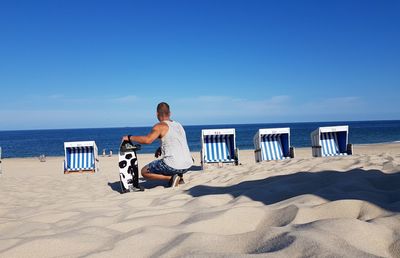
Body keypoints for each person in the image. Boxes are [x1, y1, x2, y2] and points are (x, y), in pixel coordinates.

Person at [122, 102, 193, 187]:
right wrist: (160, 148)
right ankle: (179, 176)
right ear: (170, 113)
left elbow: (148, 140)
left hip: (173, 165)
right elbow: (176, 141)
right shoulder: (178, 125)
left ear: (157, 113)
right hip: (188, 164)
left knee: (144, 171)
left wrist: (130, 137)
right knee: (173, 162)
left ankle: (171, 178)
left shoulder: (160, 126)